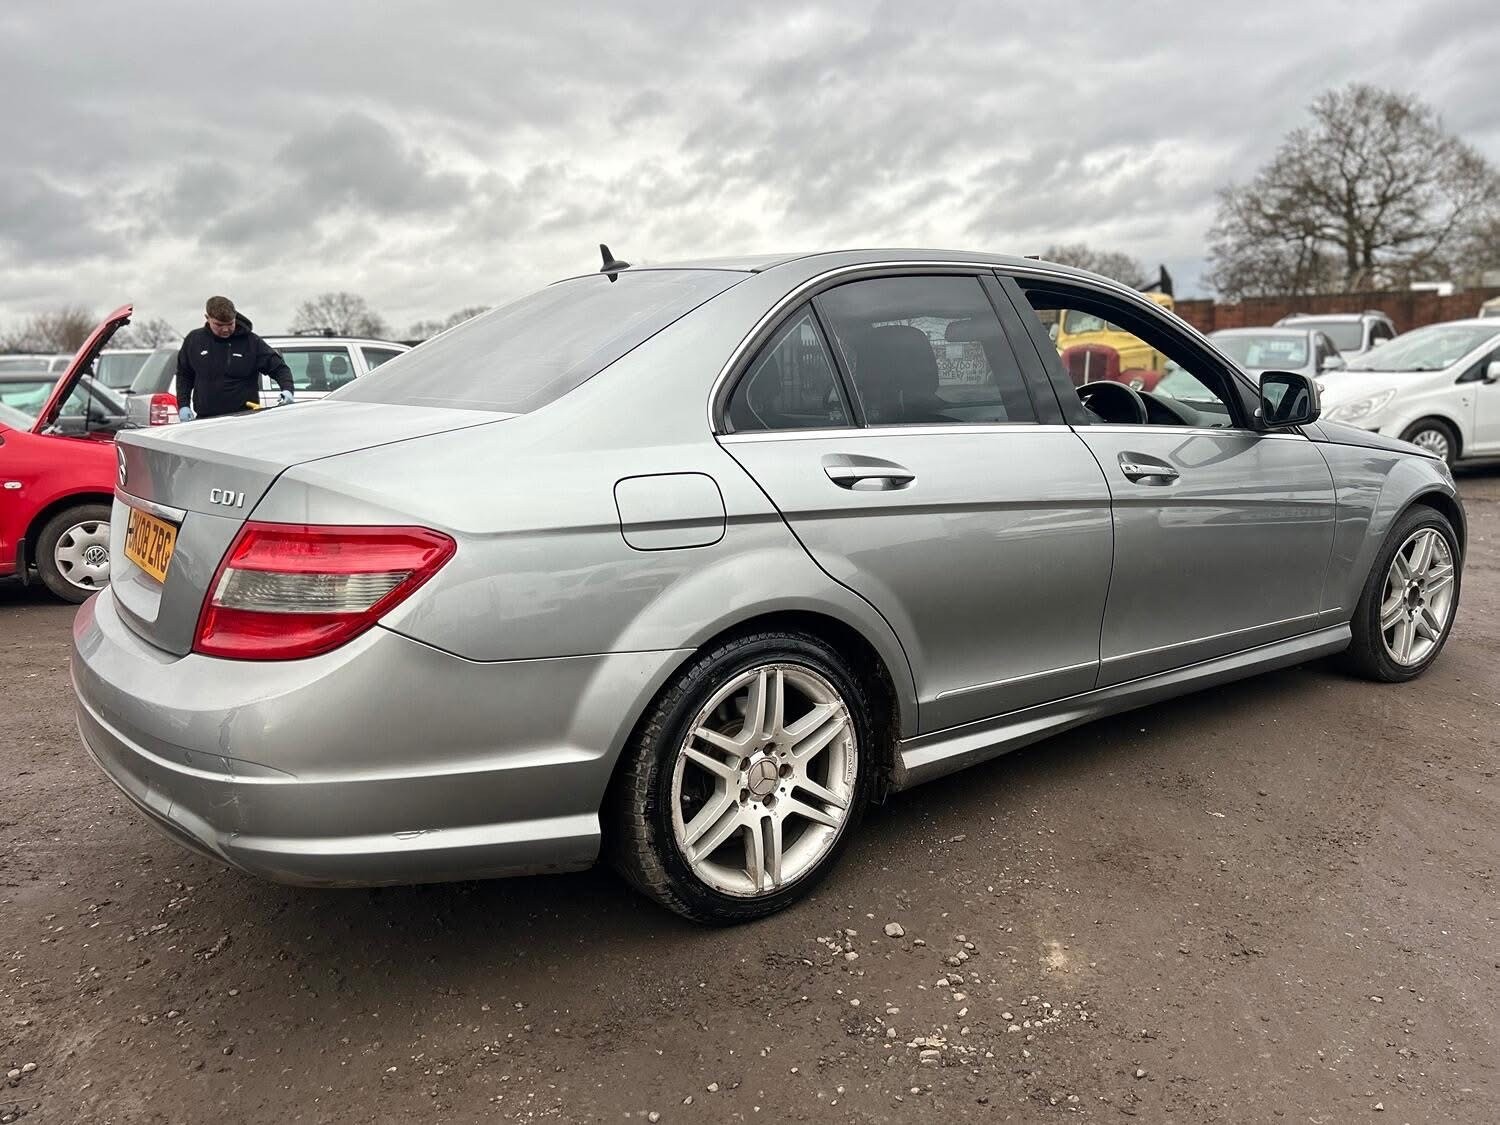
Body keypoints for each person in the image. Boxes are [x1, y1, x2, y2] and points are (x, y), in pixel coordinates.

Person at [175, 296, 294, 421]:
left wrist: (287, 390)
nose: (225, 329)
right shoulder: (194, 340)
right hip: (205, 420)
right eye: (219, 325)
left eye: (230, 324)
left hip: (244, 418)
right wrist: (183, 405)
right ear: (207, 318)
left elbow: (279, 368)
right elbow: (184, 375)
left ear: (235, 317)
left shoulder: (251, 342)